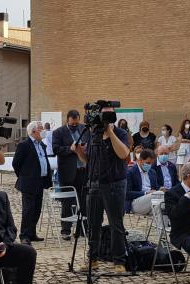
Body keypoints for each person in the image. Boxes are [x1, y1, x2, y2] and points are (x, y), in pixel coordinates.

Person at [73, 108, 131, 273]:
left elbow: (123, 154)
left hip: (114, 184)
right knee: (93, 224)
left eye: (107, 114)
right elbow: (89, 160)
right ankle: (93, 259)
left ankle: (119, 261)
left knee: (116, 224)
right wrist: (79, 152)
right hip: (94, 183)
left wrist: (110, 132)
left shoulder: (120, 133)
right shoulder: (93, 134)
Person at [12, 121, 53, 244]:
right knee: (28, 209)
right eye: (41, 129)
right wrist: (24, 176)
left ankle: (32, 233)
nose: (43, 131)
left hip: (40, 181)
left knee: (37, 209)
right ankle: (24, 235)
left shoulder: (42, 145)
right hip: (28, 182)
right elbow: (16, 163)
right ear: (34, 131)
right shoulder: (24, 145)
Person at [51, 109, 86, 240]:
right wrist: (70, 149)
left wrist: (85, 148)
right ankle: (66, 229)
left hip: (83, 170)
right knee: (67, 201)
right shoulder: (59, 132)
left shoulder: (84, 129)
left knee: (84, 200)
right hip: (68, 172)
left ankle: (82, 228)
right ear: (67, 120)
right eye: (72, 124)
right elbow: (55, 149)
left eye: (76, 124)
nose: (74, 126)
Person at [126, 149, 162, 215]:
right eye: (148, 163)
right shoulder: (130, 172)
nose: (150, 165)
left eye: (151, 163)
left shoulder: (152, 172)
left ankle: (162, 224)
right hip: (135, 202)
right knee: (159, 195)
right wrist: (145, 193)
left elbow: (155, 188)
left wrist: (161, 188)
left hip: (150, 200)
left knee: (162, 205)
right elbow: (127, 194)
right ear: (140, 160)